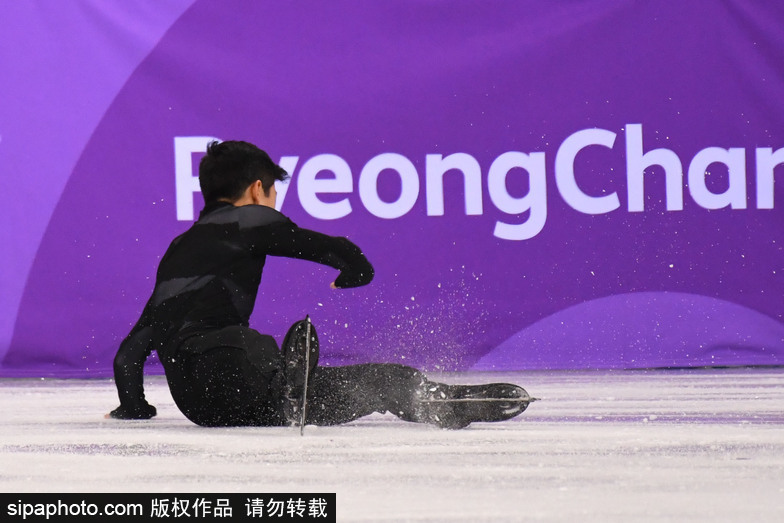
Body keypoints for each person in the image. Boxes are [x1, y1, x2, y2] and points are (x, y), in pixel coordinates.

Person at [108, 140, 532, 429]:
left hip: (200, 405)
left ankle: (295, 386)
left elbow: (128, 356)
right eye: (272, 192)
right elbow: (334, 247)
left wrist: (134, 408)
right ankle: (428, 401)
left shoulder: (177, 250)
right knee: (364, 380)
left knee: (341, 384)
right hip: (236, 368)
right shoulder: (250, 219)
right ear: (258, 189)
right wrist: (355, 272)